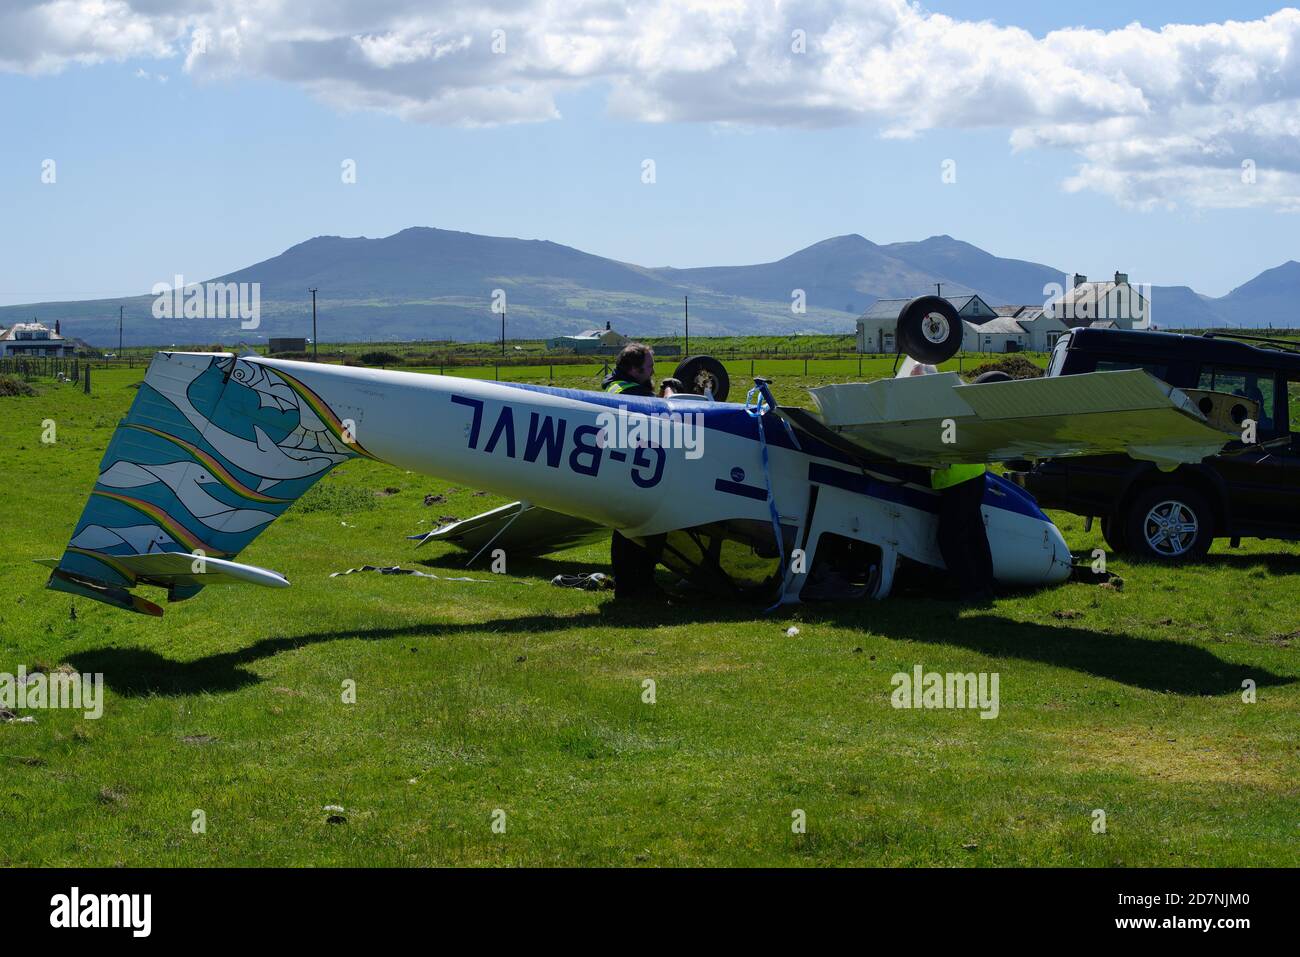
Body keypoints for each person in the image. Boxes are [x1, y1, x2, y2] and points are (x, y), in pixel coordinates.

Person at [602, 343, 667, 600]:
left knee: (627, 528)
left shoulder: (617, 383)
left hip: (626, 465)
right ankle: (637, 586)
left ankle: (631, 584)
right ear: (633, 369)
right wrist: (672, 392)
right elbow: (655, 410)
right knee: (644, 525)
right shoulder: (627, 390)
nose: (652, 372)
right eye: (649, 367)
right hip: (632, 468)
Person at [932, 462, 994, 600]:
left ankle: (970, 588)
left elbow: (946, 441)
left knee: (950, 536)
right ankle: (985, 585)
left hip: (956, 477)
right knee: (974, 531)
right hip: (974, 471)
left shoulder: (949, 439)